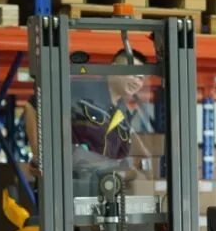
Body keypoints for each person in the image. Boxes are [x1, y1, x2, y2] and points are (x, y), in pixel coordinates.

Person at [23, 49, 155, 170]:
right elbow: (33, 105)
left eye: (141, 78)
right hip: (66, 180)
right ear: (114, 68)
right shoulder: (82, 89)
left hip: (100, 183)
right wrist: (39, 157)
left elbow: (122, 158)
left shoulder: (124, 114)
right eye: (133, 74)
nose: (137, 82)